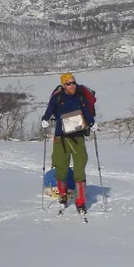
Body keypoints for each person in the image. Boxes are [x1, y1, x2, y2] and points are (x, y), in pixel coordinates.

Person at [41, 72, 96, 213]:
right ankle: (63, 197)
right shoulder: (57, 98)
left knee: (79, 169)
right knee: (60, 167)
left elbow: (86, 112)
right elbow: (49, 111)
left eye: (73, 82)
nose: (72, 85)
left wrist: (92, 123)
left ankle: (81, 202)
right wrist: (45, 120)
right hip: (61, 138)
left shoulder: (80, 96)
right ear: (63, 85)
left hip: (78, 137)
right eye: (68, 83)